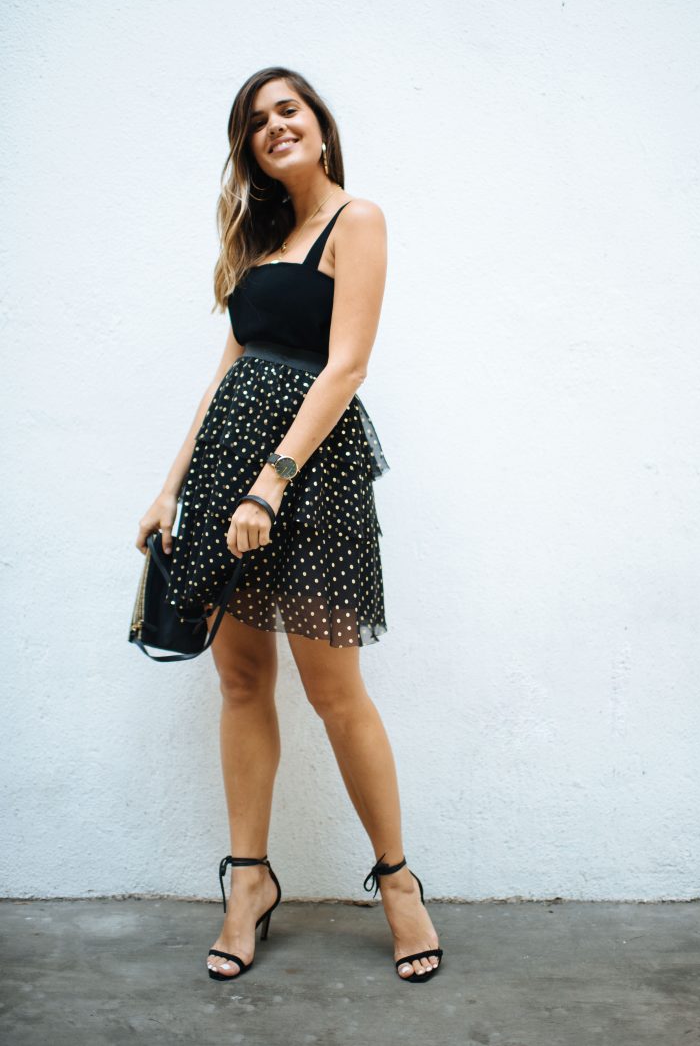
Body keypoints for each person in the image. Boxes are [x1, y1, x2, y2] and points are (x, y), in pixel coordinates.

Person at [134, 67, 443, 983]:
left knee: (335, 691)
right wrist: (170, 490)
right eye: (257, 122)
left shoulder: (358, 220)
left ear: (318, 122)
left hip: (308, 482)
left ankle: (398, 882)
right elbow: (224, 378)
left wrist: (270, 485)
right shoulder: (258, 245)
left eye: (288, 110)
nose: (275, 126)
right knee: (240, 680)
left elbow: (346, 366)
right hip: (226, 476)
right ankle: (248, 883)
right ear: (249, 149)